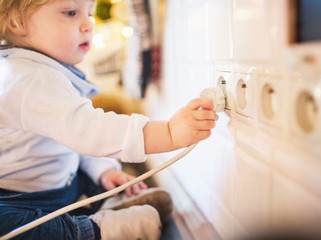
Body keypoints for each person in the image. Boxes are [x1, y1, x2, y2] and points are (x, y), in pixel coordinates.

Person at [0, 0, 218, 239]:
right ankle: (99, 229)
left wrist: (101, 170)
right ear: (17, 23)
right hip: (20, 202)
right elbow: (89, 131)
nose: (88, 24)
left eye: (89, 13)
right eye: (70, 12)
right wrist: (168, 133)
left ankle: (105, 203)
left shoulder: (44, 71)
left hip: (60, 186)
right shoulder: (24, 77)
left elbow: (70, 139)